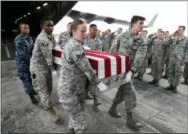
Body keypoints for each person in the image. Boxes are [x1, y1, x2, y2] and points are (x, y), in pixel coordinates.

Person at [57, 19, 101, 133]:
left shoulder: (73, 43)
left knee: (74, 119)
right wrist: (98, 81)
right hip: (69, 91)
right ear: (73, 31)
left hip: (76, 89)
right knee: (82, 125)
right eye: (82, 31)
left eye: (86, 31)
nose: (85, 34)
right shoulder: (75, 46)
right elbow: (86, 68)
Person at [109, 15, 147, 130]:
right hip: (119, 70)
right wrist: (111, 68)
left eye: (143, 23)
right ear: (133, 24)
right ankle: (130, 120)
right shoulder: (121, 36)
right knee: (131, 94)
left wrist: (132, 71)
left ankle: (113, 108)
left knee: (122, 92)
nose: (142, 25)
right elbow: (113, 50)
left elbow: (140, 57)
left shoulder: (141, 41)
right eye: (140, 23)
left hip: (129, 72)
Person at [30, 16, 60, 123]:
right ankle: (51, 111)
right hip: (38, 69)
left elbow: (57, 49)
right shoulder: (42, 38)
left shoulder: (51, 36)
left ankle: (45, 102)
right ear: (42, 26)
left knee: (49, 89)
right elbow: (49, 58)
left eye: (52, 25)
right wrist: (54, 71)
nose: (51, 27)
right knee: (44, 92)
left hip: (46, 68)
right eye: (48, 25)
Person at [14, 22, 38, 104]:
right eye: (25, 28)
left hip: (30, 61)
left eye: (28, 28)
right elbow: (23, 55)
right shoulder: (19, 39)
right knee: (26, 79)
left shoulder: (29, 38)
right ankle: (31, 96)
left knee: (31, 78)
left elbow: (32, 49)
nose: (27, 29)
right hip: (22, 64)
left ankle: (32, 90)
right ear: (20, 29)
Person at [165, 26, 187, 92]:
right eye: (178, 30)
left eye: (180, 30)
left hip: (180, 60)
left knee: (178, 73)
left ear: (183, 31)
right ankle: (171, 84)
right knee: (170, 71)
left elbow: (187, 50)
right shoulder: (174, 38)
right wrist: (171, 35)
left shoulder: (186, 39)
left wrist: (185, 60)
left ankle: (175, 87)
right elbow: (165, 43)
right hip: (172, 58)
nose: (178, 31)